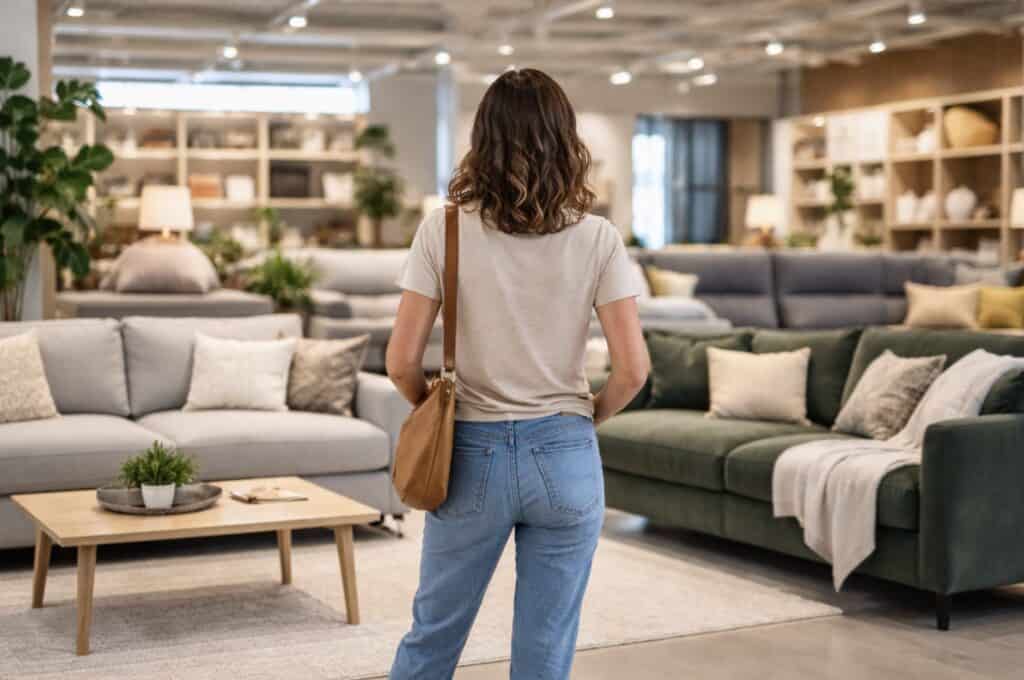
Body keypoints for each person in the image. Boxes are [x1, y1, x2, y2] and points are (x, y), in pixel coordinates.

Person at [386, 68, 650, 680]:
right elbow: (633, 370)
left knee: (433, 637)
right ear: (566, 140)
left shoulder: (444, 228)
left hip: (470, 454)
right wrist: (586, 415)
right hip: (565, 452)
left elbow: (400, 361)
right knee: (545, 650)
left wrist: (433, 407)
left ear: (484, 138)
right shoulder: (600, 239)